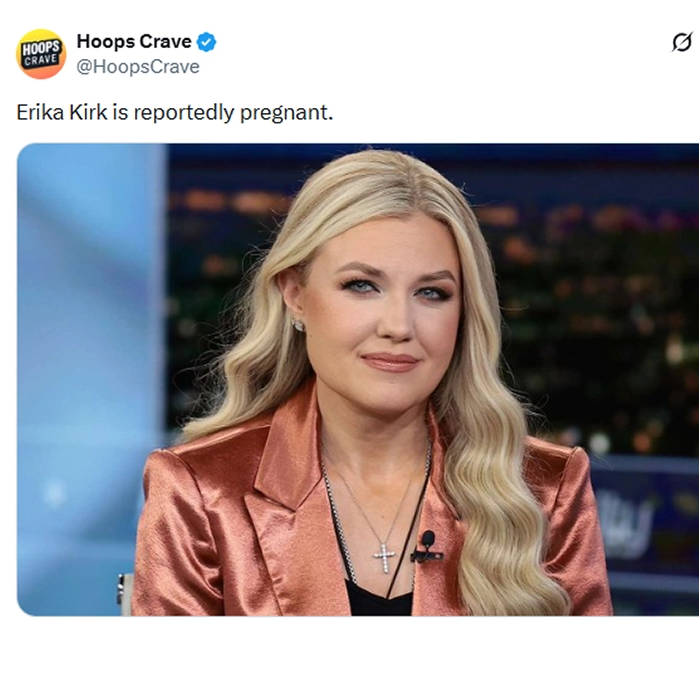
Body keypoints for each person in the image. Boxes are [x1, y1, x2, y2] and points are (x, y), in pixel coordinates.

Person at [132, 149, 612, 616]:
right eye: (362, 285)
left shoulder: (546, 489)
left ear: (465, 313)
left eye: (432, 293)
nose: (399, 325)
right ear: (295, 295)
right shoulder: (201, 491)